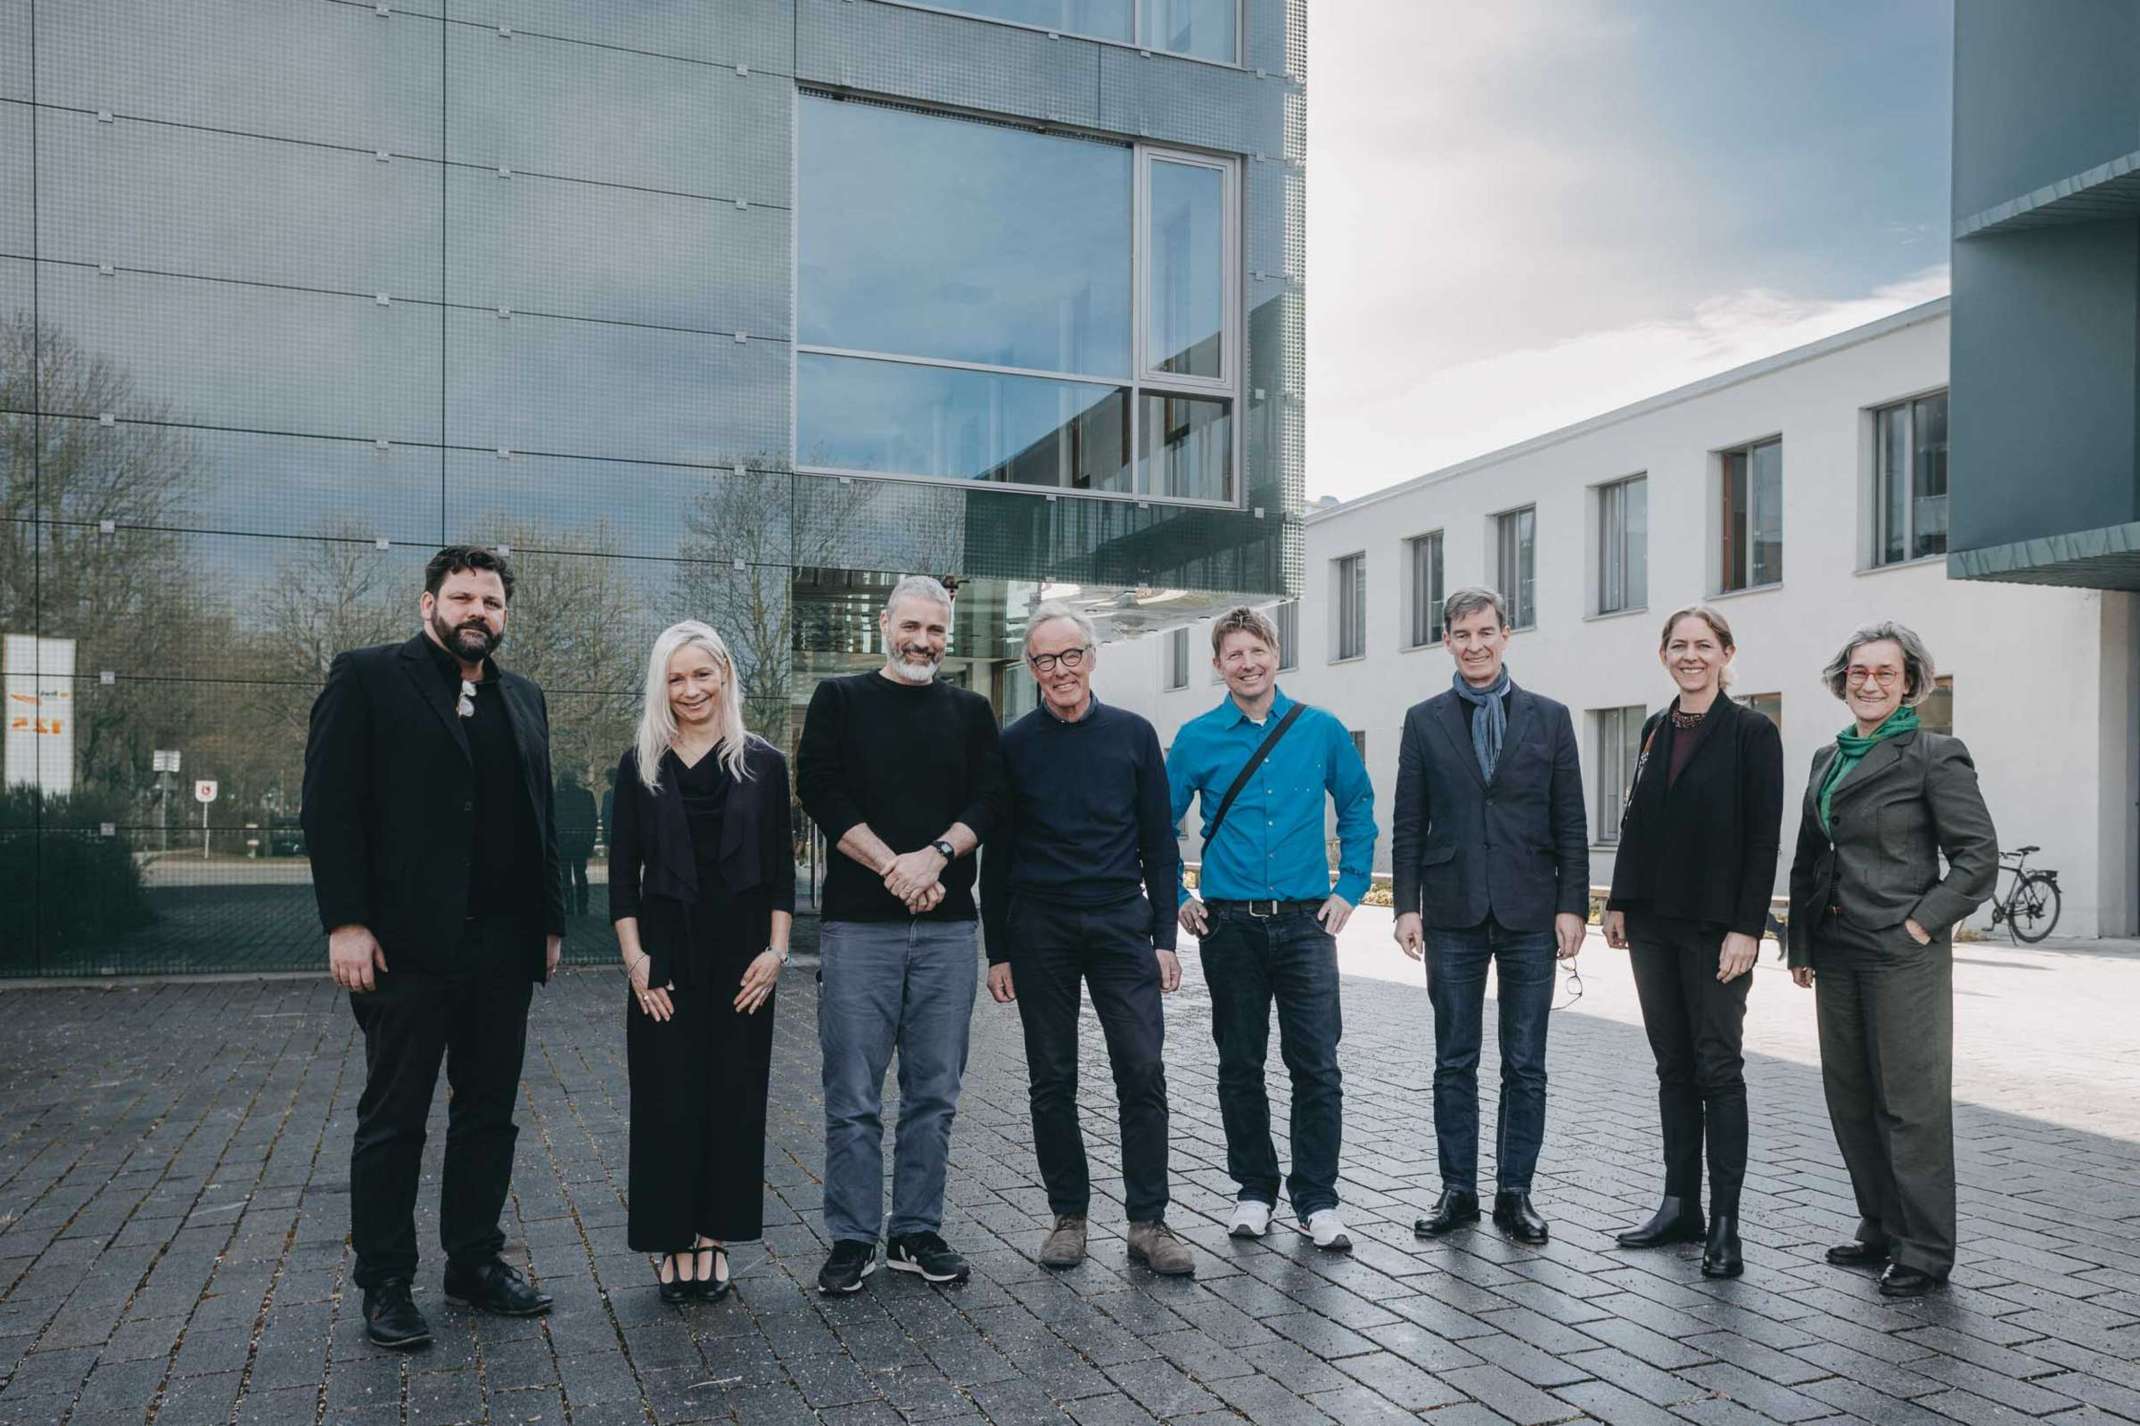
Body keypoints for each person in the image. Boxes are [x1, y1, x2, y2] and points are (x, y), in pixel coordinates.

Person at [302, 545, 563, 1350]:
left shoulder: (524, 698)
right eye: (462, 598)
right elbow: (329, 806)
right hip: (403, 950)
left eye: (492, 601)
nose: (478, 611)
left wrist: (549, 923)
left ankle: (474, 1262)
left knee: (489, 1116)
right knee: (395, 1120)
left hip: (504, 948)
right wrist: (346, 922)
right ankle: (385, 1283)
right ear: (428, 605)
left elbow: (540, 818)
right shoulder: (368, 677)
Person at [795, 575, 1006, 1294]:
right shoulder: (839, 699)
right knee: (852, 1094)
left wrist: (936, 857)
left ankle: (916, 1231)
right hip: (859, 930)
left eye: (936, 630)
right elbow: (819, 788)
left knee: (933, 1094)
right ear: (885, 624)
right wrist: (895, 866)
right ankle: (853, 1237)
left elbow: (992, 799)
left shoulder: (971, 711)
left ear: (949, 635)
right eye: (911, 627)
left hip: (948, 932)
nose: (922, 642)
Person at [980, 604, 1194, 1276]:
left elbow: (1160, 842)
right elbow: (998, 854)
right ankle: (1068, 1217)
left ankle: (1148, 1222)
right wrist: (997, 950)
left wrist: (1165, 937)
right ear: (1031, 668)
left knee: (1142, 1069)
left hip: (1120, 924)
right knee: (1052, 1077)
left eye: (1071, 655)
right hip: (1039, 927)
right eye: (1045, 660)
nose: (1060, 670)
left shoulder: (1133, 735)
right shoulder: (1014, 744)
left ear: (1092, 657)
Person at [1788, 622, 1996, 1298]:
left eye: (1884, 672)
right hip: (1838, 948)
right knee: (1851, 1098)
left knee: (1910, 1105)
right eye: (1858, 671)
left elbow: (1977, 859)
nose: (1869, 683)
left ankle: (1925, 1251)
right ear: (1842, 680)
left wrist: (1920, 925)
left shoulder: (1935, 754)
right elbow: (1810, 857)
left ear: (1909, 683)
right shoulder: (1828, 757)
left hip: (1902, 953)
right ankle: (1879, 1226)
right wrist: (1801, 943)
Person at [1168, 606, 1375, 1252]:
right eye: (1234, 654)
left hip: (1307, 924)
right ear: (1217, 665)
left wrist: (1351, 887)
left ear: (1275, 654)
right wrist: (1177, 895)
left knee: (1317, 1065)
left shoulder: (1320, 730)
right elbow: (1154, 824)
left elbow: (1359, 805)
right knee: (1240, 1064)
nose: (1247, 664)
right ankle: (1254, 1190)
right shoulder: (1197, 738)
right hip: (1229, 926)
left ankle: (1318, 1200)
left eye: (1256, 651)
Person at [1390, 586, 1587, 1246]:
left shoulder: (1550, 718)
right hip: (1452, 910)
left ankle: (1515, 1194)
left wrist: (1572, 905)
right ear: (1446, 641)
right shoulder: (1424, 720)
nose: (1474, 645)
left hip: (1531, 909)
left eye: (1485, 632)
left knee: (1525, 1062)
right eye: (1462, 634)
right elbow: (1409, 820)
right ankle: (1458, 1192)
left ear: (1506, 635)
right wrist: (1407, 906)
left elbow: (1571, 820)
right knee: (1454, 1060)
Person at [609, 622, 794, 1303]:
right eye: (676, 678)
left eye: (702, 674)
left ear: (725, 676)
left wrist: (776, 953)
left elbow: (781, 871)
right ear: (662, 687)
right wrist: (635, 963)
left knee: (734, 1097)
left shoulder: (765, 764)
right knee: (666, 1099)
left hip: (744, 959)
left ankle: (714, 1236)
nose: (691, 690)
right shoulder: (640, 764)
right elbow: (622, 877)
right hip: (664, 957)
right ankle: (672, 1236)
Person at [1601, 606, 1783, 1278]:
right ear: (1663, 655)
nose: (1690, 656)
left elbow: (1763, 837)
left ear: (1726, 653)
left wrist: (1747, 927)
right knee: (1672, 1067)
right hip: (1653, 924)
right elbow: (1637, 820)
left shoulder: (1752, 732)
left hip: (1716, 929)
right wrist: (1619, 900)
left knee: (1718, 1068)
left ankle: (1726, 1224)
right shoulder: (1655, 728)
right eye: (1678, 645)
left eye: (1704, 645)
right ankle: (1680, 1205)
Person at [556, 766, 598, 917]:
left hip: (563, 842)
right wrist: (590, 842)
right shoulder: (586, 795)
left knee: (565, 876)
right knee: (581, 874)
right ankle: (582, 906)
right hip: (581, 842)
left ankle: (569, 906)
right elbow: (592, 820)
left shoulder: (556, 797)